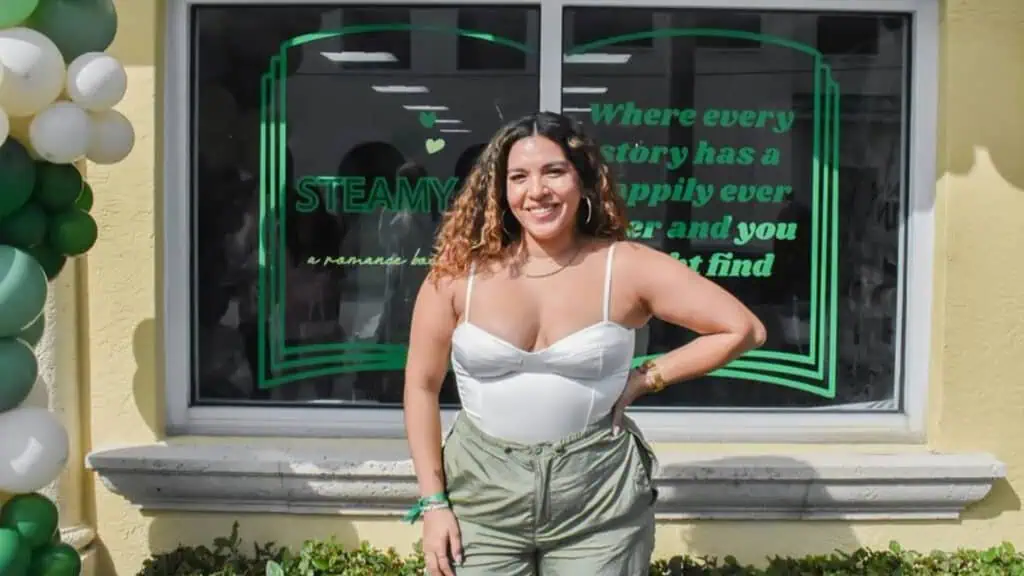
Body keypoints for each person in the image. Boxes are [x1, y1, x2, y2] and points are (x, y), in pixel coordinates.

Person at [402, 112, 766, 576]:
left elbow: (742, 328)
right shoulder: (458, 275)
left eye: (554, 171)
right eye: (519, 177)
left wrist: (647, 377)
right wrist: (433, 504)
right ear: (500, 189)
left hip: (597, 497)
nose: (537, 192)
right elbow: (421, 386)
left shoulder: (627, 266)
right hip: (481, 496)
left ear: (583, 179)